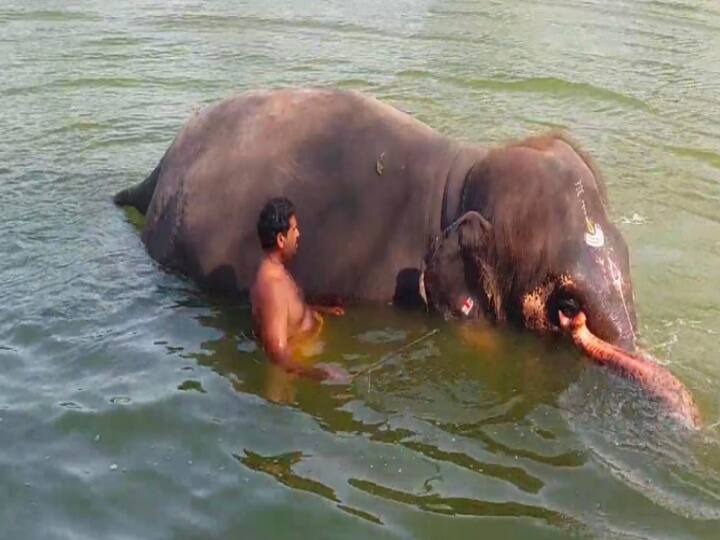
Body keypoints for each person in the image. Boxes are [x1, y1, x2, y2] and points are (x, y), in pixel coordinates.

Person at [250, 197, 347, 381]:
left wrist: (320, 310)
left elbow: (289, 315)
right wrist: (320, 374)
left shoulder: (278, 271)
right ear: (281, 239)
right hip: (302, 363)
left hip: (310, 348)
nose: (298, 234)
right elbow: (277, 354)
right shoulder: (273, 287)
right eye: (294, 229)